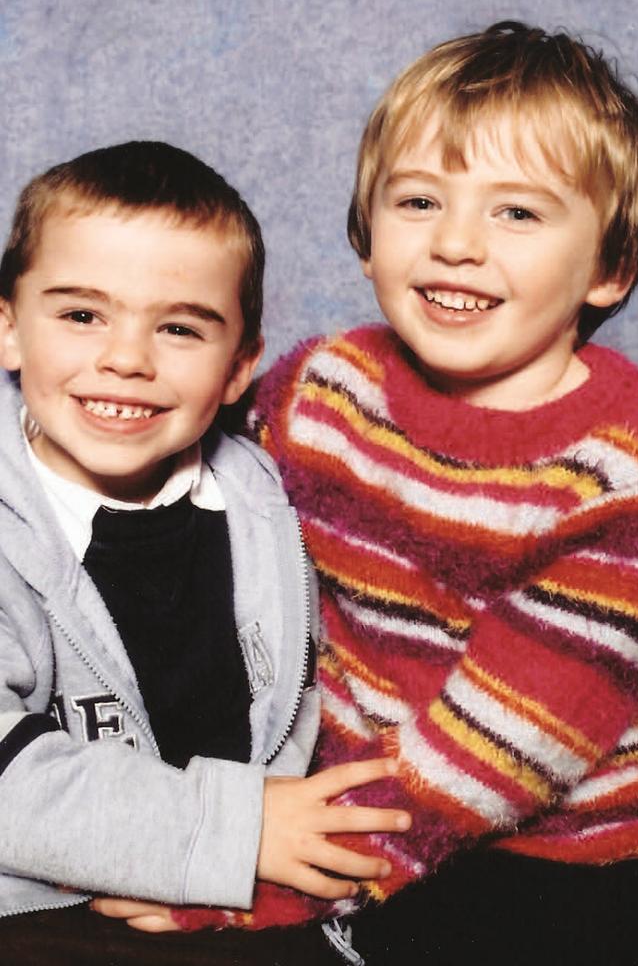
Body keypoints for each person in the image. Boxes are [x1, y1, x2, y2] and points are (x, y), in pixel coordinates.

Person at [97, 22, 638, 964]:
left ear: (608, 268)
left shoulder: (619, 477)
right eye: (420, 200)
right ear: (365, 235)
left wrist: (248, 876)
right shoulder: (325, 388)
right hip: (345, 798)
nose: (457, 244)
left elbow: (492, 752)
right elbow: (188, 510)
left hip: (546, 849)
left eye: (517, 213)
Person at [0, 140, 410, 965]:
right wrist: (239, 826)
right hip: (45, 911)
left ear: (238, 368)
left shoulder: (268, 495)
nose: (126, 359)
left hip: (248, 905)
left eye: (181, 328)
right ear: (8, 329)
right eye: (82, 315)